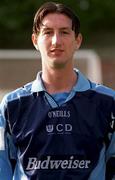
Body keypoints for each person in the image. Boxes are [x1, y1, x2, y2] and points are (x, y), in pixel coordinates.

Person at [0, 2, 115, 180]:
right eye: (47, 32)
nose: (56, 41)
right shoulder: (11, 105)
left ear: (77, 40)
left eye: (64, 32)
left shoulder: (108, 102)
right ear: (35, 41)